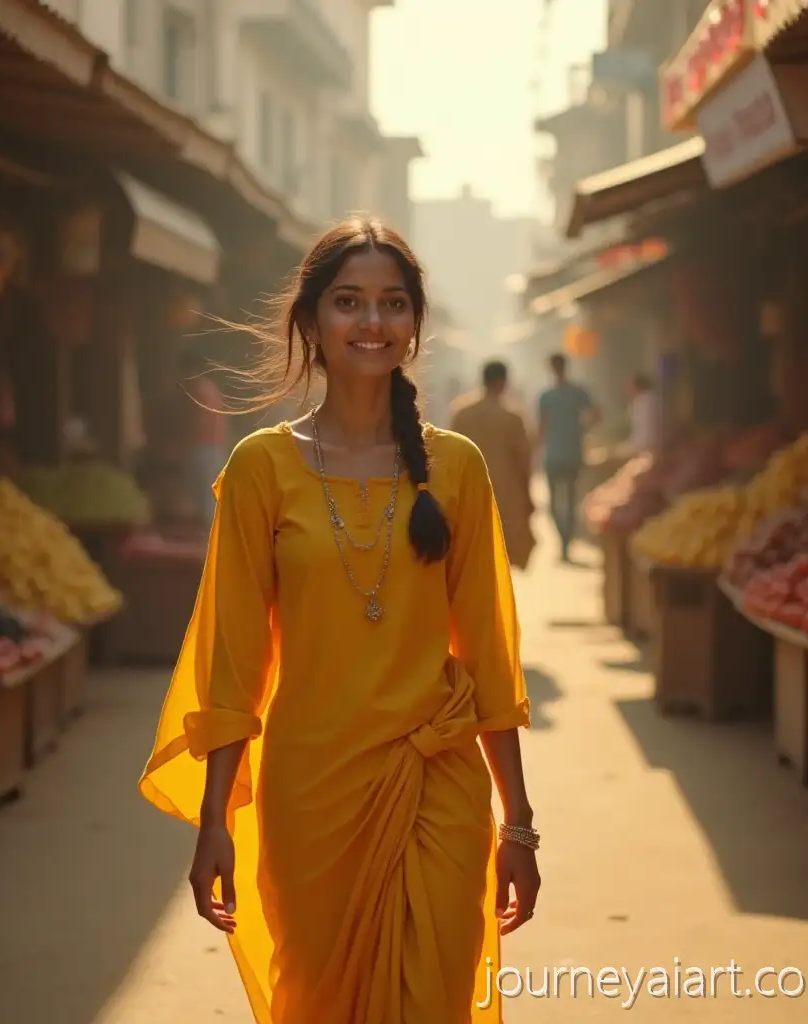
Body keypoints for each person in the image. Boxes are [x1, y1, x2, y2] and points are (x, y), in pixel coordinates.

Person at [139, 217, 539, 1024]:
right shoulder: (262, 468)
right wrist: (215, 818)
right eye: (349, 301)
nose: (372, 322)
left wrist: (519, 826)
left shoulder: (456, 467)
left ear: (414, 326)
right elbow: (234, 660)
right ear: (311, 321)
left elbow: (491, 658)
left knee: (436, 1001)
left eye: (393, 303)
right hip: (310, 796)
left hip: (438, 788)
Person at [450, 360, 536, 570]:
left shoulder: (462, 413)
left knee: (473, 554)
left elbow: (449, 457)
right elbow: (524, 462)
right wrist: (528, 498)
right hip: (506, 495)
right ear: (504, 382)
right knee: (501, 555)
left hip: (469, 493)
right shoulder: (512, 417)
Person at [536, 352, 599, 562]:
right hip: (565, 453)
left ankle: (564, 541)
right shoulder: (566, 394)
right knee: (565, 502)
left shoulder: (554, 395)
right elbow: (596, 414)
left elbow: (541, 428)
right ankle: (565, 540)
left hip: (561, 455)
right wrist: (584, 430)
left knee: (561, 502)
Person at [180, 351, 228, 523]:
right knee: (208, 498)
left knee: (205, 500)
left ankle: (208, 538)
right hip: (212, 449)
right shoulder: (209, 389)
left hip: (204, 449)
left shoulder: (200, 391)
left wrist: (183, 445)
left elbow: (201, 424)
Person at [626, 371, 661, 455]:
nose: (628, 388)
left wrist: (633, 447)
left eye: (630, 385)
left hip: (646, 447)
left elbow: (645, 429)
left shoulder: (644, 401)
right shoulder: (646, 400)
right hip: (644, 445)